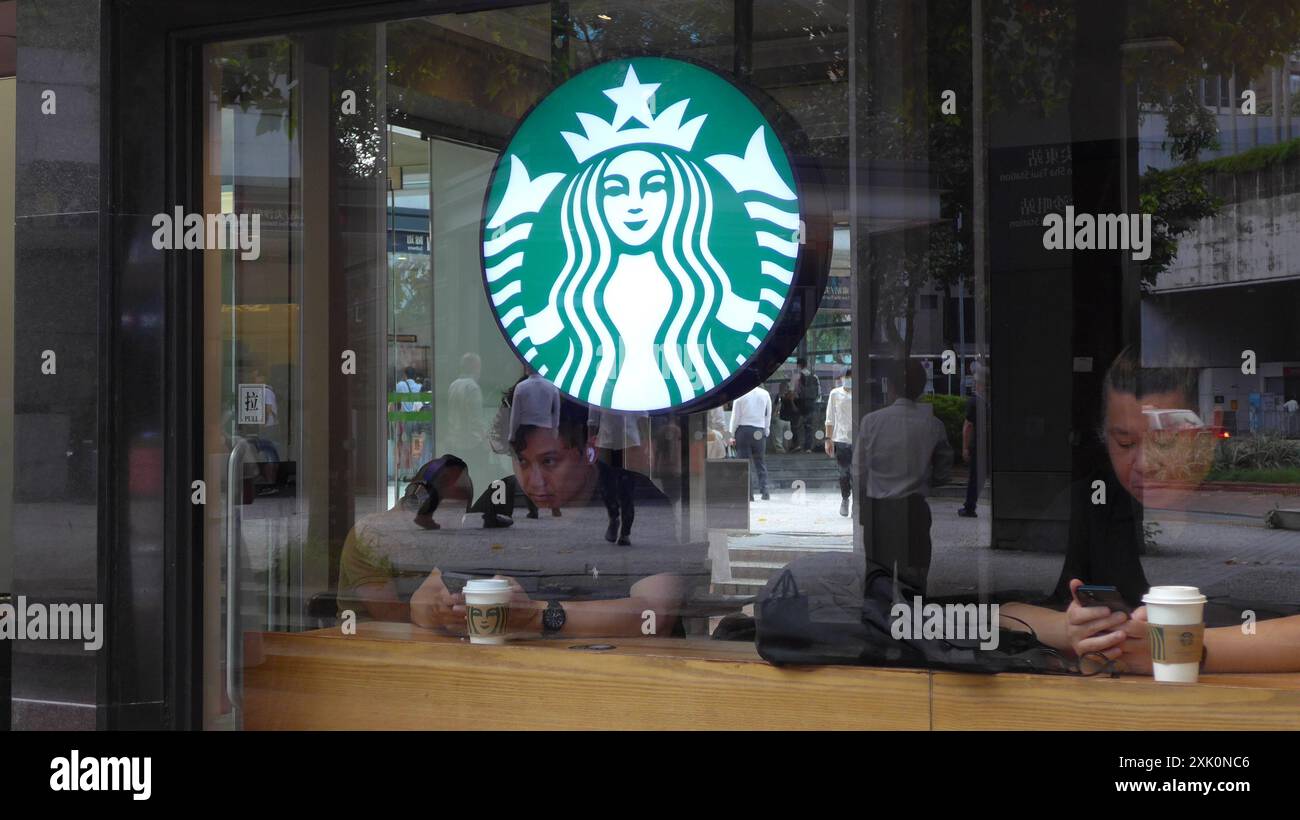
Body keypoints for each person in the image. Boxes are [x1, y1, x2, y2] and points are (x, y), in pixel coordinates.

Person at [993, 348, 1300, 674]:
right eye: (1125, 444)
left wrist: (1179, 648)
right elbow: (1006, 612)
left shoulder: (1265, 504)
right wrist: (1073, 630)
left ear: (1206, 436)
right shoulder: (1098, 501)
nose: (1145, 464)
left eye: (1165, 441)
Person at [851, 359, 953, 591]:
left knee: (877, 582)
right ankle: (913, 626)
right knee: (914, 584)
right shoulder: (933, 424)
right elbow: (943, 471)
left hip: (879, 510)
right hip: (914, 509)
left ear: (891, 386)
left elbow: (858, 469)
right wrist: (926, 479)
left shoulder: (871, 422)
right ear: (922, 387)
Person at [729, 383, 773, 501]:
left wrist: (731, 434)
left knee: (744, 464)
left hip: (743, 431)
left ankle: (749, 494)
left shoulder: (740, 395)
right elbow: (768, 415)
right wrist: (766, 429)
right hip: (759, 430)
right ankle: (765, 491)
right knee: (760, 462)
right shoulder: (765, 394)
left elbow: (735, 417)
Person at [958, 363, 989, 518]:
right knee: (979, 477)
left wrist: (964, 447)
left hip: (977, 445)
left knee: (975, 477)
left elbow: (968, 426)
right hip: (985, 445)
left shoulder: (974, 402)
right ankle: (970, 505)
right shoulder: (986, 403)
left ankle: (969, 506)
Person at [824, 367, 854, 517]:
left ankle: (858, 503)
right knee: (844, 473)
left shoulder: (861, 392)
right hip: (841, 439)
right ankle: (845, 499)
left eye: (851, 376)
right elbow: (830, 418)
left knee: (858, 473)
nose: (849, 378)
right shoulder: (835, 393)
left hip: (859, 438)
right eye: (847, 376)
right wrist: (828, 439)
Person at [791, 358, 820, 451]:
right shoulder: (814, 376)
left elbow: (792, 391)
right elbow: (819, 392)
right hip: (810, 403)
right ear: (806, 365)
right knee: (808, 426)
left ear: (798, 365)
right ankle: (808, 447)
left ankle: (797, 444)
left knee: (795, 424)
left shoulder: (796, 376)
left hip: (799, 403)